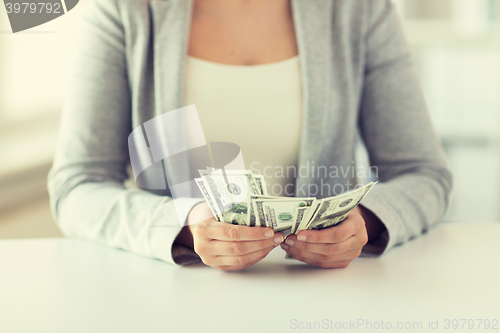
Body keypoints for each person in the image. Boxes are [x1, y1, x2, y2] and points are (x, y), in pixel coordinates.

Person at [48, 0, 452, 271]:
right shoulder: (124, 10)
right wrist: (182, 226)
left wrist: (364, 221)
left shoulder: (357, 10)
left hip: (324, 301)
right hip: (172, 302)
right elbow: (77, 184)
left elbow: (424, 173)